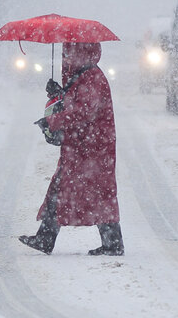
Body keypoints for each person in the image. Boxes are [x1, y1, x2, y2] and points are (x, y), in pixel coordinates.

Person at [20, 42, 124, 256]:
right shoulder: (83, 75)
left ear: (83, 53)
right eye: (65, 52)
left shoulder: (92, 77)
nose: (66, 56)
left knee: (94, 193)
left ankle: (111, 243)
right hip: (83, 147)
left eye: (70, 52)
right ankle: (47, 238)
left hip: (93, 149)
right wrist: (59, 93)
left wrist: (54, 121)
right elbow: (77, 104)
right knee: (70, 189)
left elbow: (83, 112)